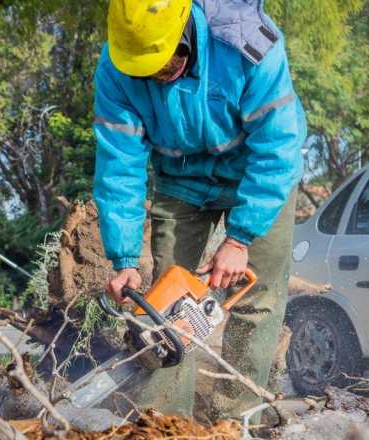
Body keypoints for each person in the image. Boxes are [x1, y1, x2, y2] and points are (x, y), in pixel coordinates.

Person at [92, 0, 306, 421]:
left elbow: (278, 148)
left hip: (257, 170)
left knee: (256, 300)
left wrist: (241, 237)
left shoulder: (248, 44)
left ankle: (238, 419)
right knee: (165, 305)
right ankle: (166, 422)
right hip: (181, 178)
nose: (157, 75)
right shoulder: (115, 68)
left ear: (184, 28)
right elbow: (119, 166)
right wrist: (123, 259)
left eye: (165, 61)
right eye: (147, 68)